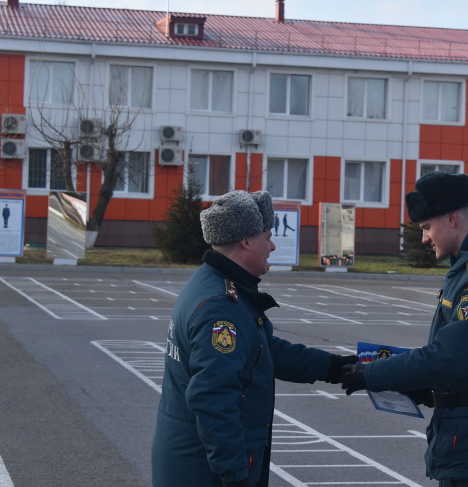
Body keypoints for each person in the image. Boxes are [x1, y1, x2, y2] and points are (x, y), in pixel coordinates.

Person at [340, 171, 468, 487]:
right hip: (467, 437)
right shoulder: (465, 270)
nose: (424, 238)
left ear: (451, 219)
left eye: (426, 227)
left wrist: (374, 373)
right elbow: (462, 362)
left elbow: (449, 357)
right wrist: (420, 385)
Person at [151, 190, 355, 487]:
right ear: (246, 241)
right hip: (205, 471)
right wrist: (233, 474)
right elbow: (212, 398)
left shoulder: (219, 286)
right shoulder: (220, 307)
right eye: (267, 237)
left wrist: (335, 367)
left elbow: (264, 351)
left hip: (199, 462)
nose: (272, 246)